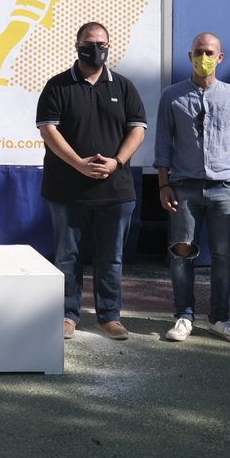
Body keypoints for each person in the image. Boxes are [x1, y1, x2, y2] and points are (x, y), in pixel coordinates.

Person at [36, 22, 148, 340]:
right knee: (67, 256)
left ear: (109, 46)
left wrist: (117, 161)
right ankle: (67, 315)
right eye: (89, 43)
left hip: (116, 190)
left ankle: (109, 316)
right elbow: (48, 130)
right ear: (77, 45)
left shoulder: (124, 87)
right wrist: (78, 165)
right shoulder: (57, 86)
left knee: (110, 257)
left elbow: (137, 129)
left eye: (101, 43)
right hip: (66, 189)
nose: (95, 48)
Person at [153, 32, 230, 343]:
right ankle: (183, 316)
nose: (204, 57)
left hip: (224, 187)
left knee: (224, 255)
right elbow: (162, 145)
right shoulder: (171, 96)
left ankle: (220, 318)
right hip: (183, 185)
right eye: (199, 52)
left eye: (210, 52)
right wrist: (163, 184)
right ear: (190, 56)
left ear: (220, 57)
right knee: (181, 252)